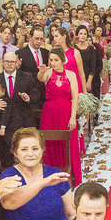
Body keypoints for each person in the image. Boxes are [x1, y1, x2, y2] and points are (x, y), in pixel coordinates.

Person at [0, 50, 42, 167]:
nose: (10, 64)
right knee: (6, 160)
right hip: (5, 125)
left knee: (25, 158)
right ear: (2, 62)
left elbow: (36, 95)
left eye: (12, 61)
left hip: (23, 122)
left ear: (17, 63)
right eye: (7, 61)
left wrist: (28, 98)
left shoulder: (27, 77)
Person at [38, 48, 81, 185]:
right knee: (49, 142)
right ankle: (50, 176)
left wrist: (73, 117)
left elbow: (75, 97)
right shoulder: (48, 73)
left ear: (62, 60)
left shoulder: (71, 74)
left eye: (56, 60)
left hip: (66, 111)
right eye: (51, 60)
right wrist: (42, 71)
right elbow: (40, 78)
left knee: (67, 143)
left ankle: (68, 176)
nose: (53, 63)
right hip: (49, 113)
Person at [74, 25, 102, 97]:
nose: (83, 36)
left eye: (85, 34)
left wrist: (89, 82)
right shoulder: (73, 48)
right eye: (81, 34)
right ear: (77, 35)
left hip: (89, 78)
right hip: (75, 78)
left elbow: (93, 66)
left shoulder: (91, 49)